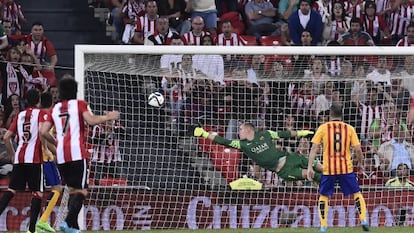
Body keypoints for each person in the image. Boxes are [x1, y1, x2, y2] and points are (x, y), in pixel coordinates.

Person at [40, 78, 120, 233]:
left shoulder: (55, 109)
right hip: (77, 153)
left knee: (72, 191)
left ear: (61, 92)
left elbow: (43, 131)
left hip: (62, 155)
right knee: (82, 191)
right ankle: (68, 221)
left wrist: (57, 142)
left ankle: (73, 228)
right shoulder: (79, 104)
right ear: (75, 91)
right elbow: (91, 120)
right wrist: (109, 117)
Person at [307, 103, 369, 232]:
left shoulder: (323, 128)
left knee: (324, 195)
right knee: (356, 193)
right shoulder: (349, 128)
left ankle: (323, 226)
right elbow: (358, 149)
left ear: (330, 115)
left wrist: (310, 167)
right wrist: (361, 162)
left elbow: (313, 148)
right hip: (345, 168)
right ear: (342, 115)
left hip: (328, 168)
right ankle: (363, 219)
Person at [193, 122, 322, 183]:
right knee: (310, 174)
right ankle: (332, 187)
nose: (239, 132)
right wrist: (204, 134)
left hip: (291, 158)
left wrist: (301, 133)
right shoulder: (242, 144)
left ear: (249, 130)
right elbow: (223, 141)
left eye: (241, 129)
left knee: (321, 167)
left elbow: (284, 134)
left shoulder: (265, 134)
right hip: (284, 171)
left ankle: (339, 176)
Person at [0, 89, 45, 233]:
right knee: (37, 193)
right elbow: (44, 133)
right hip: (35, 159)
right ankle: (31, 229)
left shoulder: (19, 115)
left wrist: (13, 155)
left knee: (11, 190)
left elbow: (7, 137)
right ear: (38, 100)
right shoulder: (41, 114)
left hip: (19, 158)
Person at [35, 92, 61, 233]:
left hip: (41, 158)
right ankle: (42, 221)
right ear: (51, 103)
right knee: (57, 188)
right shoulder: (46, 116)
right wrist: (56, 151)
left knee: (41, 191)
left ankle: (38, 222)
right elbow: (43, 135)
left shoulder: (38, 115)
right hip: (45, 158)